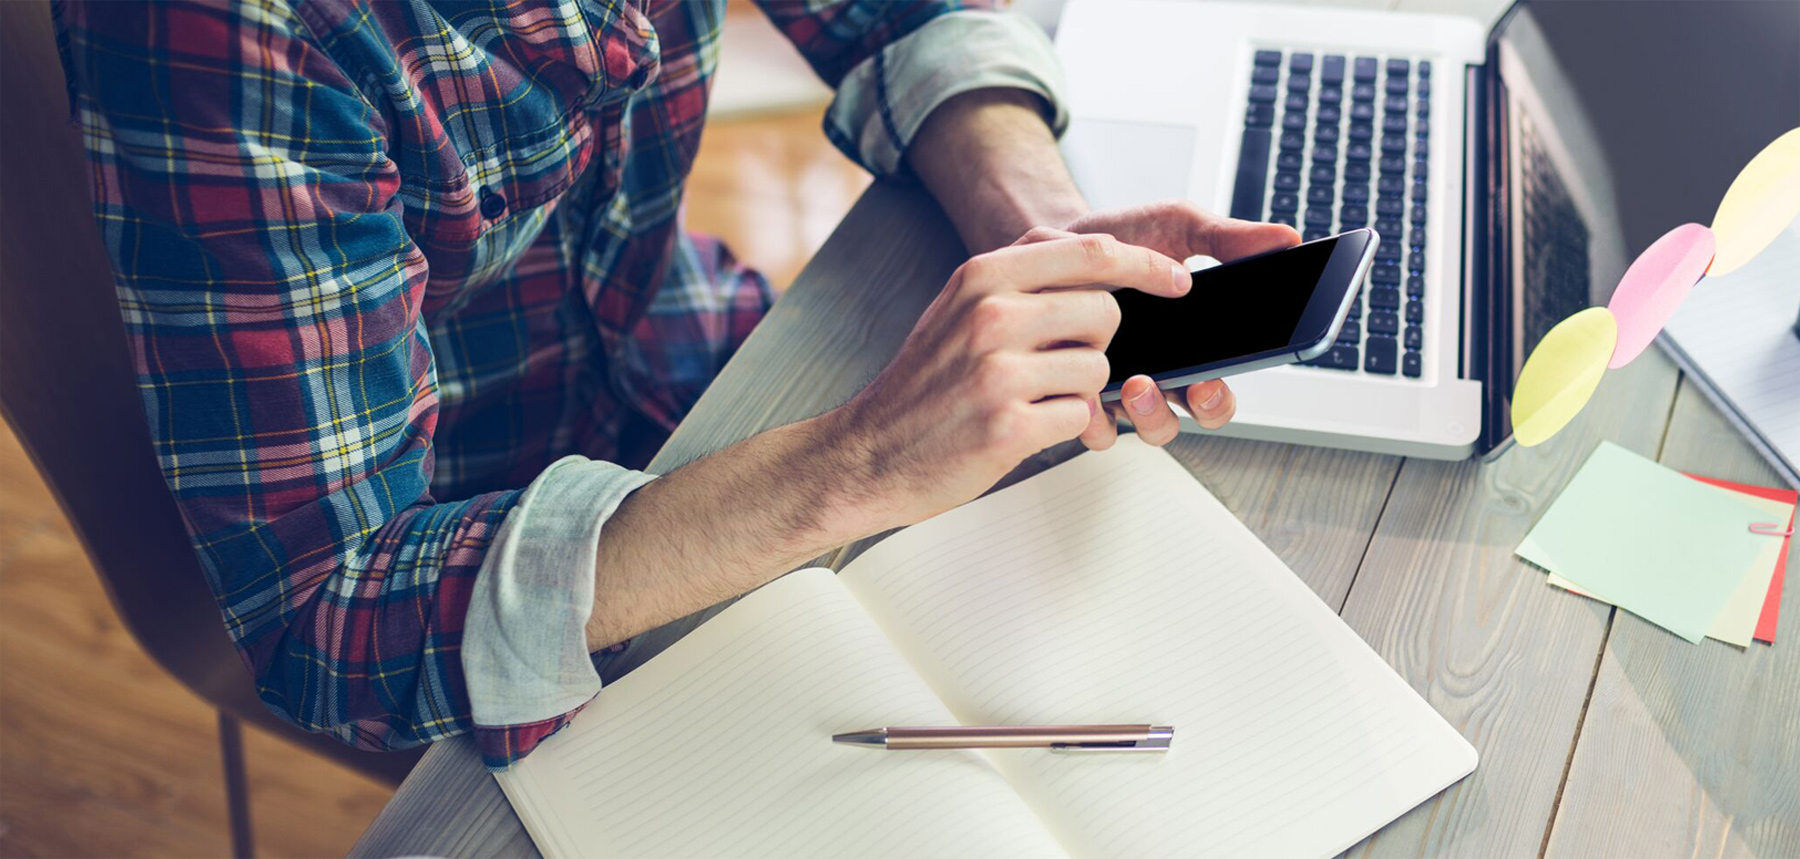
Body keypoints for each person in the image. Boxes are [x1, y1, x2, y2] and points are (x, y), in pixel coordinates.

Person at [53, 0, 1297, 770]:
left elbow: (898, 12)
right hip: (471, 568)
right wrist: (860, 459)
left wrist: (1040, 227)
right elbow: (326, 611)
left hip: (695, 364)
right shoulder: (234, 25)